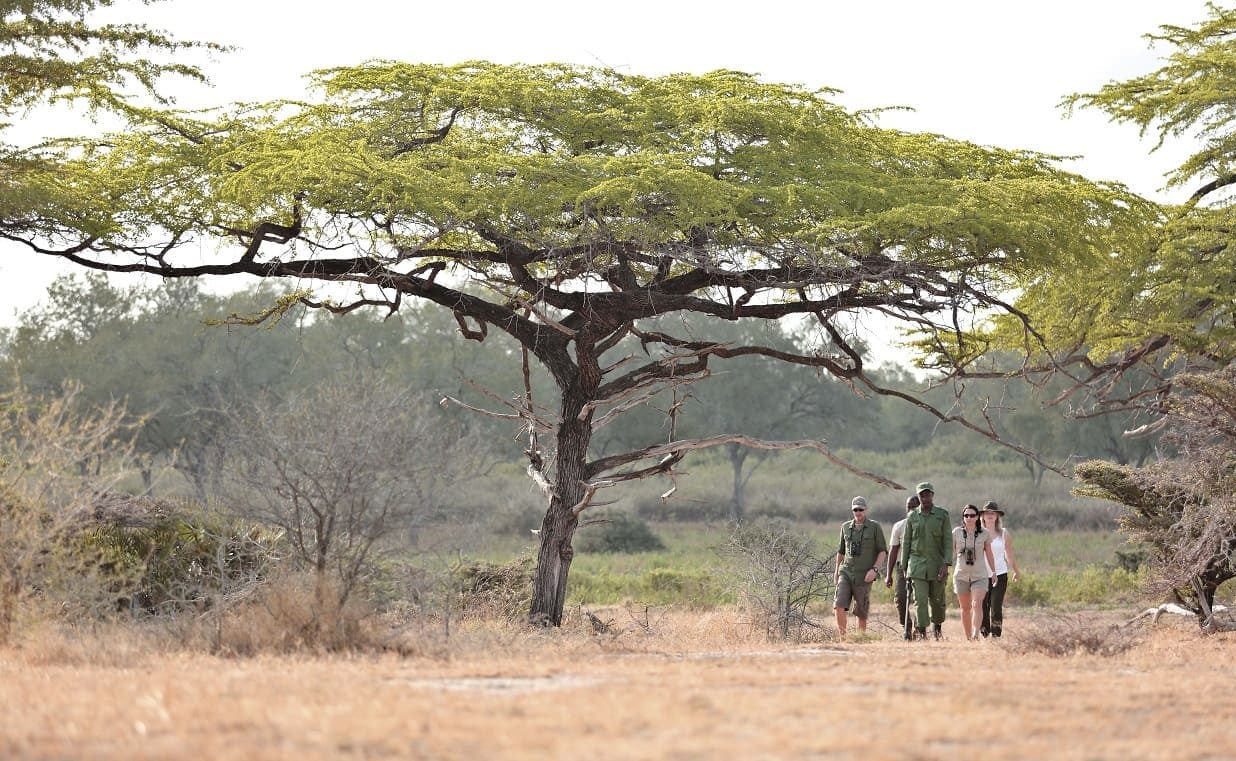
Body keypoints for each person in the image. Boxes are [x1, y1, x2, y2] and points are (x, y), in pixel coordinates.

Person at [901, 482, 951, 640]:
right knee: (920, 600)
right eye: (922, 495)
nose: (925, 498)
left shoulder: (942, 515)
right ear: (918, 497)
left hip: (937, 565)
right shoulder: (912, 516)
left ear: (932, 495)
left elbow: (948, 541)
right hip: (917, 565)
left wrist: (946, 564)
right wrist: (904, 567)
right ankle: (922, 633)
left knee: (937, 601)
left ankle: (937, 629)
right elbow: (906, 542)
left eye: (927, 494)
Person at [833, 495, 888, 636]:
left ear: (866, 509)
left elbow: (882, 551)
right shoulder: (845, 527)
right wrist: (836, 572)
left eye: (860, 509)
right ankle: (843, 639)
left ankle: (859, 639)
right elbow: (841, 552)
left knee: (861, 611)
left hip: (864, 575)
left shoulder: (874, 527)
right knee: (839, 604)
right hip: (846, 572)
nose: (858, 512)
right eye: (855, 510)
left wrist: (875, 570)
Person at [952, 504, 998, 641]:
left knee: (977, 604)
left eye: (972, 515)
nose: (969, 518)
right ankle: (969, 639)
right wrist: (944, 566)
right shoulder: (956, 532)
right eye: (966, 515)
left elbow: (989, 553)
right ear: (963, 517)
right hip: (961, 574)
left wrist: (994, 572)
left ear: (977, 517)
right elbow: (950, 552)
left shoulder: (984, 533)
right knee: (965, 608)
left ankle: (975, 634)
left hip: (980, 575)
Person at [980, 501, 1021, 638]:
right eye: (987, 513)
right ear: (983, 516)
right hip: (981, 575)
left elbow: (1009, 554)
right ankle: (984, 633)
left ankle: (996, 636)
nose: (990, 515)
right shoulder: (978, 533)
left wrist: (1016, 571)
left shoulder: (1004, 533)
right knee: (983, 607)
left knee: (996, 607)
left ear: (997, 516)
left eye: (993, 513)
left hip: (1000, 575)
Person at [884, 493, 920, 637]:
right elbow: (893, 550)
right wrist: (888, 575)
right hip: (902, 567)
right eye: (908, 507)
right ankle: (907, 627)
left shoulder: (924, 524)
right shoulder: (899, 526)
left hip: (921, 565)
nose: (911, 510)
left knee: (920, 598)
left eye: (914, 507)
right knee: (900, 598)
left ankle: (919, 628)